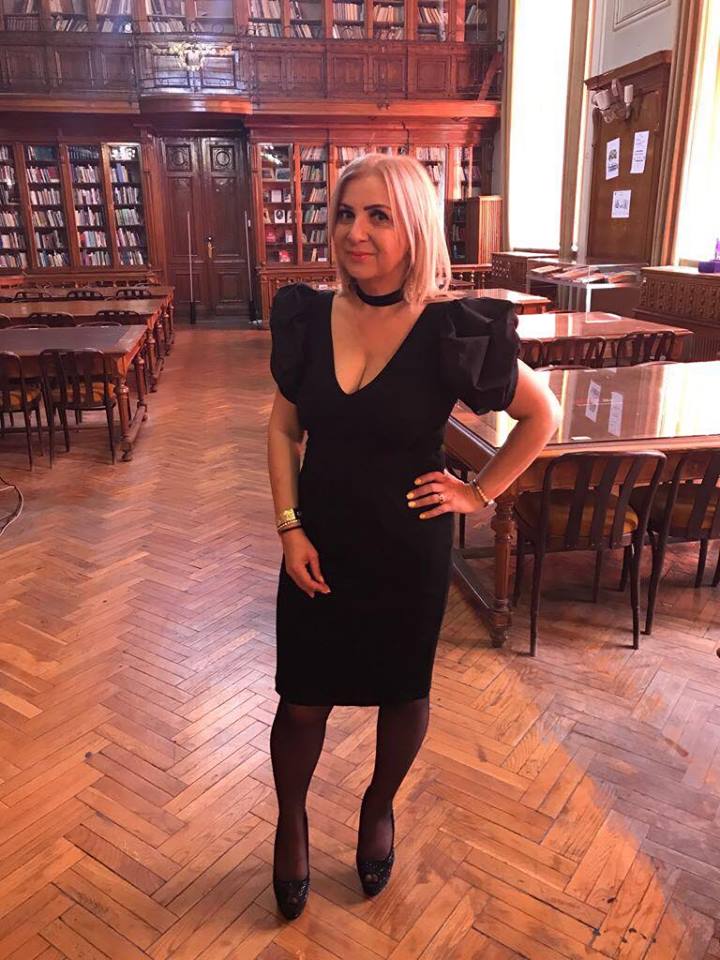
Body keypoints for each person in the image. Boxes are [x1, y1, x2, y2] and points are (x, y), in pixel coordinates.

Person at [266, 153, 560, 920]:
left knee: (403, 693)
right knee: (301, 703)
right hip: (317, 546)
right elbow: (283, 427)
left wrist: (479, 492)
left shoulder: (453, 331)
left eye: (378, 216)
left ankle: (378, 807)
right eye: (345, 214)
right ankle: (292, 822)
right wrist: (289, 527)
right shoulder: (305, 316)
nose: (355, 232)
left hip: (407, 551)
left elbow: (542, 415)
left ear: (415, 228)